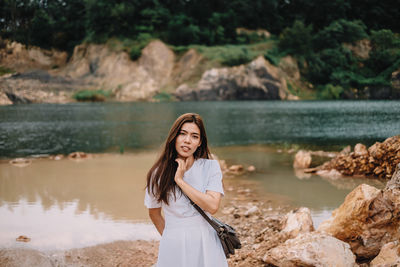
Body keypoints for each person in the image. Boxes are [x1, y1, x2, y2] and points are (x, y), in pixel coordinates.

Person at [144, 113, 228, 267]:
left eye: (194, 136)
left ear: (199, 142)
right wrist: (171, 237)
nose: (187, 140)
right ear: (174, 137)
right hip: (173, 243)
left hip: (206, 241)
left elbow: (212, 206)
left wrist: (180, 181)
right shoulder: (157, 174)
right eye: (182, 134)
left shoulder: (210, 167)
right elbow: (154, 213)